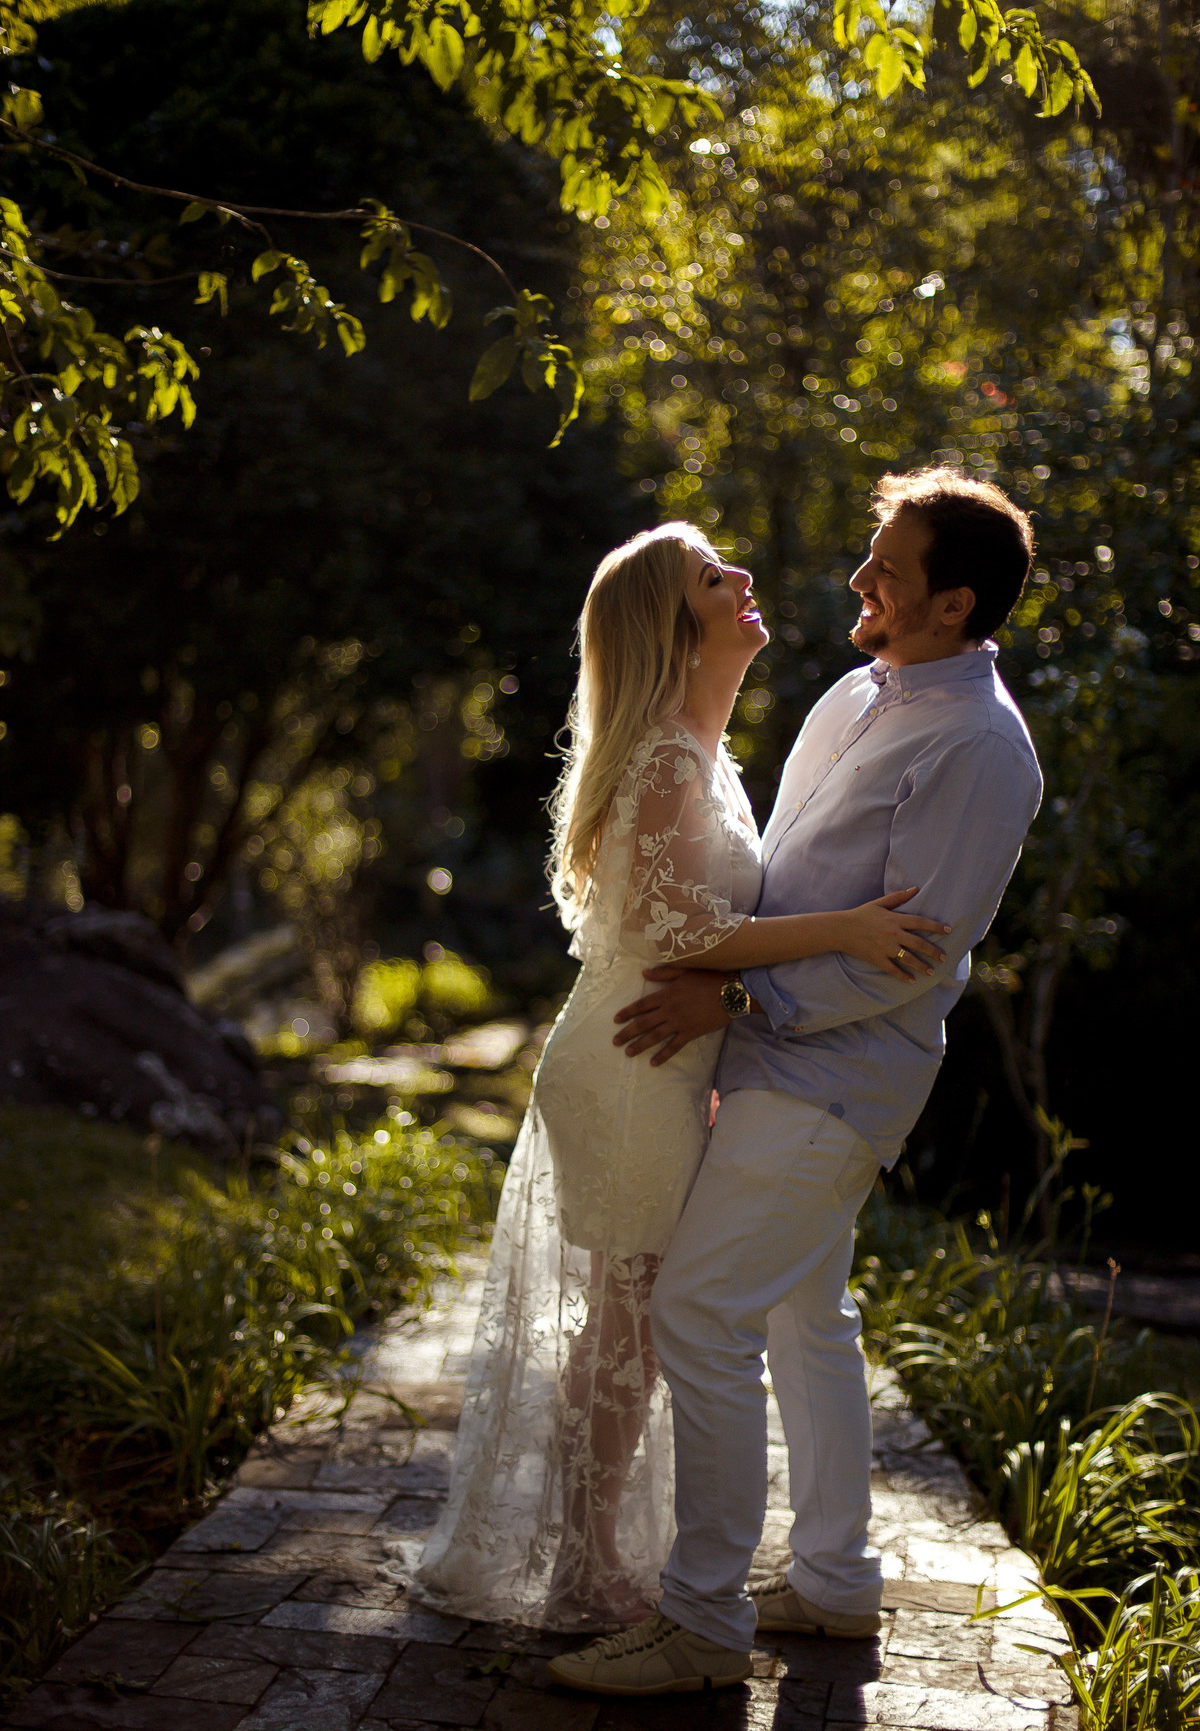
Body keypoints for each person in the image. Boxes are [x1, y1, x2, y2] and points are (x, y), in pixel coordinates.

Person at [548, 468, 1044, 1695]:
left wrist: (733, 996)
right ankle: (830, 1582)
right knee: (802, 1317)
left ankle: (702, 1623)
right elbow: (774, 888)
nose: (860, 576)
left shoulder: (981, 748)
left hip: (835, 1073)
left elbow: (909, 954)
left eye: (888, 565)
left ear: (953, 604)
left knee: (697, 1313)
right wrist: (727, 1002)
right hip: (753, 1055)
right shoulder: (850, 696)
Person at [409, 523, 948, 1633]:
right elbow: (671, 925)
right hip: (629, 1060)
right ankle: (585, 1561)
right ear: (672, 624)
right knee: (631, 1326)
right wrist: (839, 930)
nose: (745, 578)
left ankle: (594, 1548)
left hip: (665, 1055)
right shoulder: (662, 754)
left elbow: (697, 924)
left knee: (637, 1322)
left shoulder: (706, 755)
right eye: (714, 577)